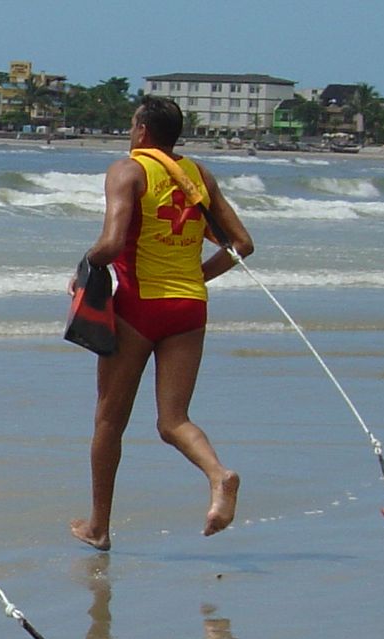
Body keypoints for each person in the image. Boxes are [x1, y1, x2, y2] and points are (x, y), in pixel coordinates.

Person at [69, 95, 254, 552]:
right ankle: (218, 474)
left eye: (132, 125)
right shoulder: (197, 174)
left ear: (143, 131)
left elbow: (111, 245)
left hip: (139, 307)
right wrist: (195, 276)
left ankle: (99, 526)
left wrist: (81, 268)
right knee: (173, 421)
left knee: (109, 422)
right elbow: (242, 244)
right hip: (190, 308)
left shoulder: (127, 170)